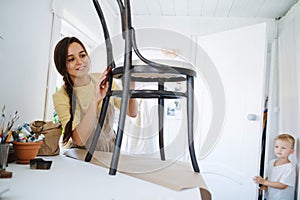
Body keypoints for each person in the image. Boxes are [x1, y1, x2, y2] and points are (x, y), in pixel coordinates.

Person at [52, 36, 138, 152]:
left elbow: (131, 112)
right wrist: (96, 99)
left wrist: (130, 90)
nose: (80, 61)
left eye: (82, 55)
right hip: (82, 155)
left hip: (109, 150)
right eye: (71, 59)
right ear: (63, 66)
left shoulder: (104, 81)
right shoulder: (60, 96)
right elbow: (79, 140)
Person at [253, 133, 296, 200]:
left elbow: (282, 185)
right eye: (276, 146)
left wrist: (264, 182)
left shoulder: (289, 168)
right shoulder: (271, 162)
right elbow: (268, 178)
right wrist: (264, 186)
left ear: (291, 151)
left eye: (283, 148)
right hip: (270, 197)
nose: (279, 150)